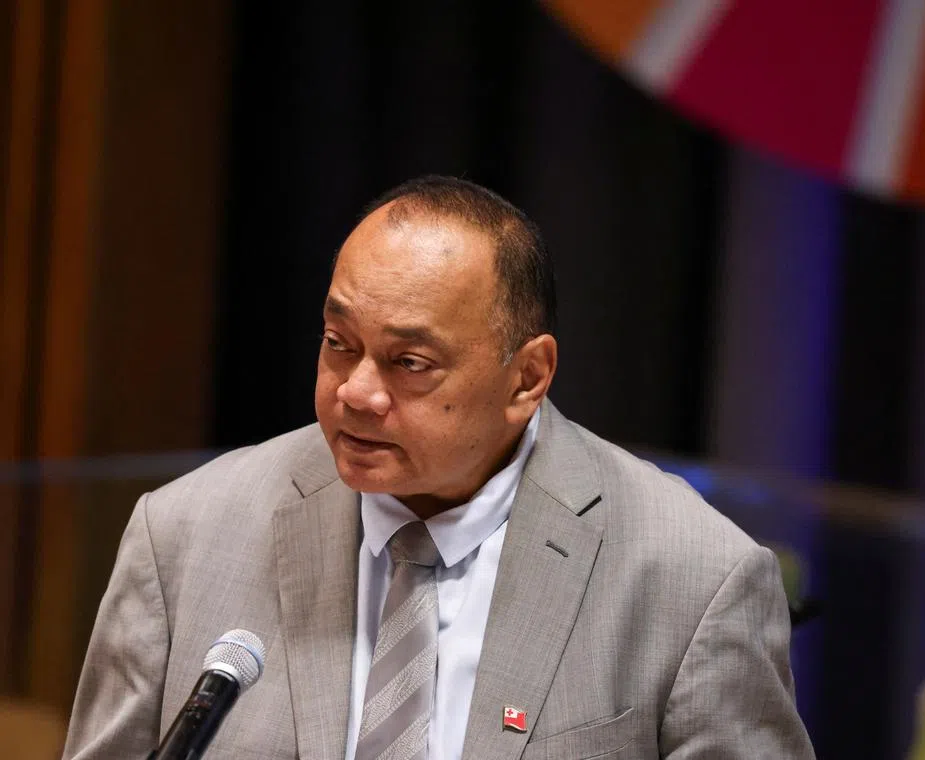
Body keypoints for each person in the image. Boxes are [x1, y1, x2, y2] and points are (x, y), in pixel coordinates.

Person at [63, 176, 815, 759]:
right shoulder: (184, 537)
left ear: (527, 378)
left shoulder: (695, 582)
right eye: (338, 343)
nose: (356, 392)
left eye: (410, 363)